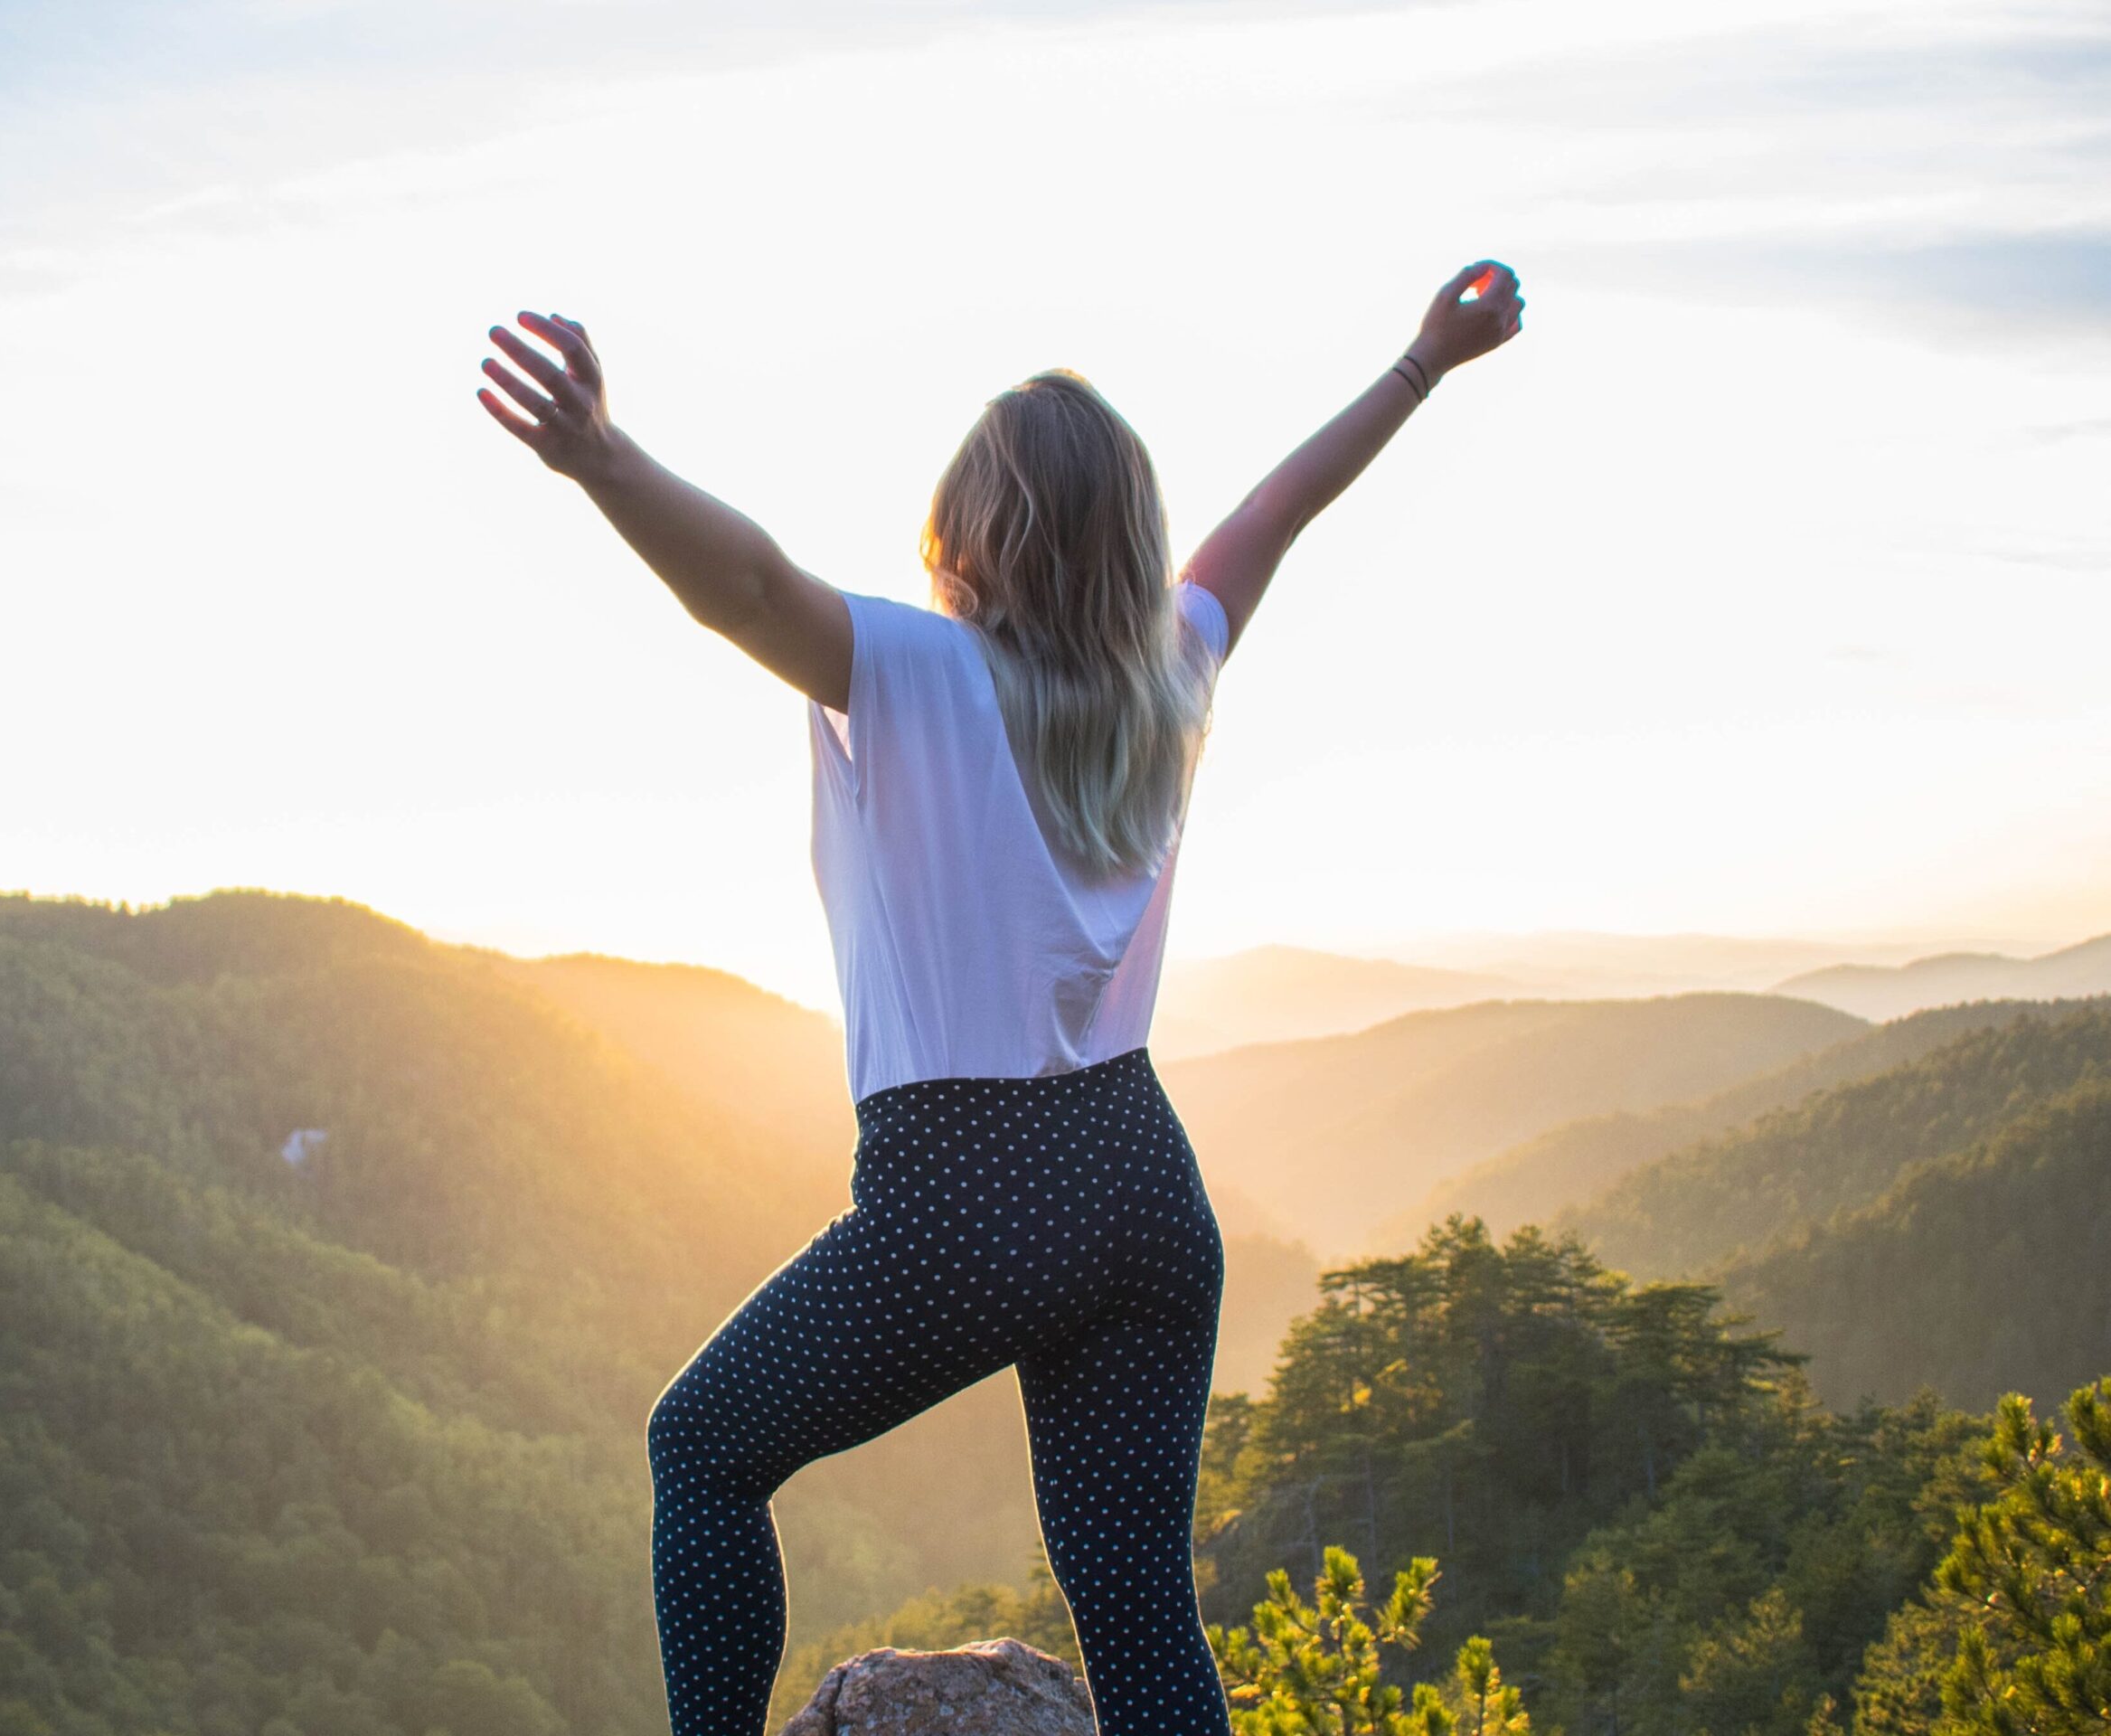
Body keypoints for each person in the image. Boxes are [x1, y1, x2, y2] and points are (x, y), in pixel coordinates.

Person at [476, 259, 1526, 1736]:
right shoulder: (1171, 671)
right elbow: (1274, 515)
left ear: (973, 531)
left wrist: (603, 460)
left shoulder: (919, 670)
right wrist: (1423, 364)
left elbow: (754, 586)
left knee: (702, 1450)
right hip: (1146, 1184)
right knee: (1143, 1615)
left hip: (971, 1191)